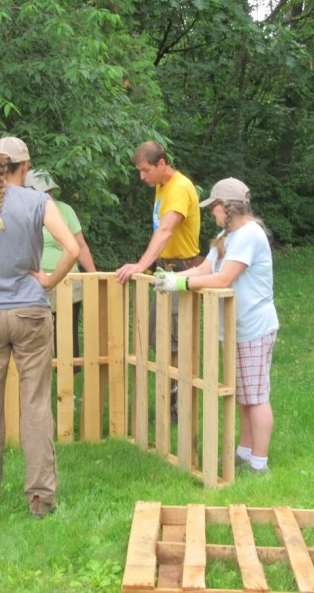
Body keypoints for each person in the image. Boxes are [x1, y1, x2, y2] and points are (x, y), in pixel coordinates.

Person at [0, 136, 79, 518]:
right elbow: (72, 250)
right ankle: (40, 501)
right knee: (36, 406)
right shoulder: (40, 202)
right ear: (26, 167)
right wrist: (48, 280)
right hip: (30, 312)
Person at [152, 178, 278, 474]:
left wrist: (182, 282)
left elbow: (223, 279)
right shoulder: (227, 235)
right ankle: (244, 453)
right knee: (244, 395)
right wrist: (174, 280)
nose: (213, 213)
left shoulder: (248, 235)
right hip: (237, 327)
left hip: (254, 327)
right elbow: (205, 269)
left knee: (256, 397)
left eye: (216, 207)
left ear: (229, 208)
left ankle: (259, 464)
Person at [115, 141, 201, 421]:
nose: (142, 177)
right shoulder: (161, 187)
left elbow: (165, 230)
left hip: (180, 273)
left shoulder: (179, 188)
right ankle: (171, 397)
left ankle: (179, 404)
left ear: (162, 164)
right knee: (159, 338)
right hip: (166, 272)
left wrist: (141, 264)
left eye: (145, 170)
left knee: (175, 342)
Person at [24, 168, 97, 366]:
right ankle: (36, 385)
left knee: (66, 335)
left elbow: (80, 246)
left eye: (51, 191)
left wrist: (94, 277)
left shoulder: (64, 210)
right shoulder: (22, 212)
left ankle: (69, 392)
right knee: (32, 336)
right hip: (34, 284)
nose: (49, 195)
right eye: (43, 191)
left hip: (68, 282)